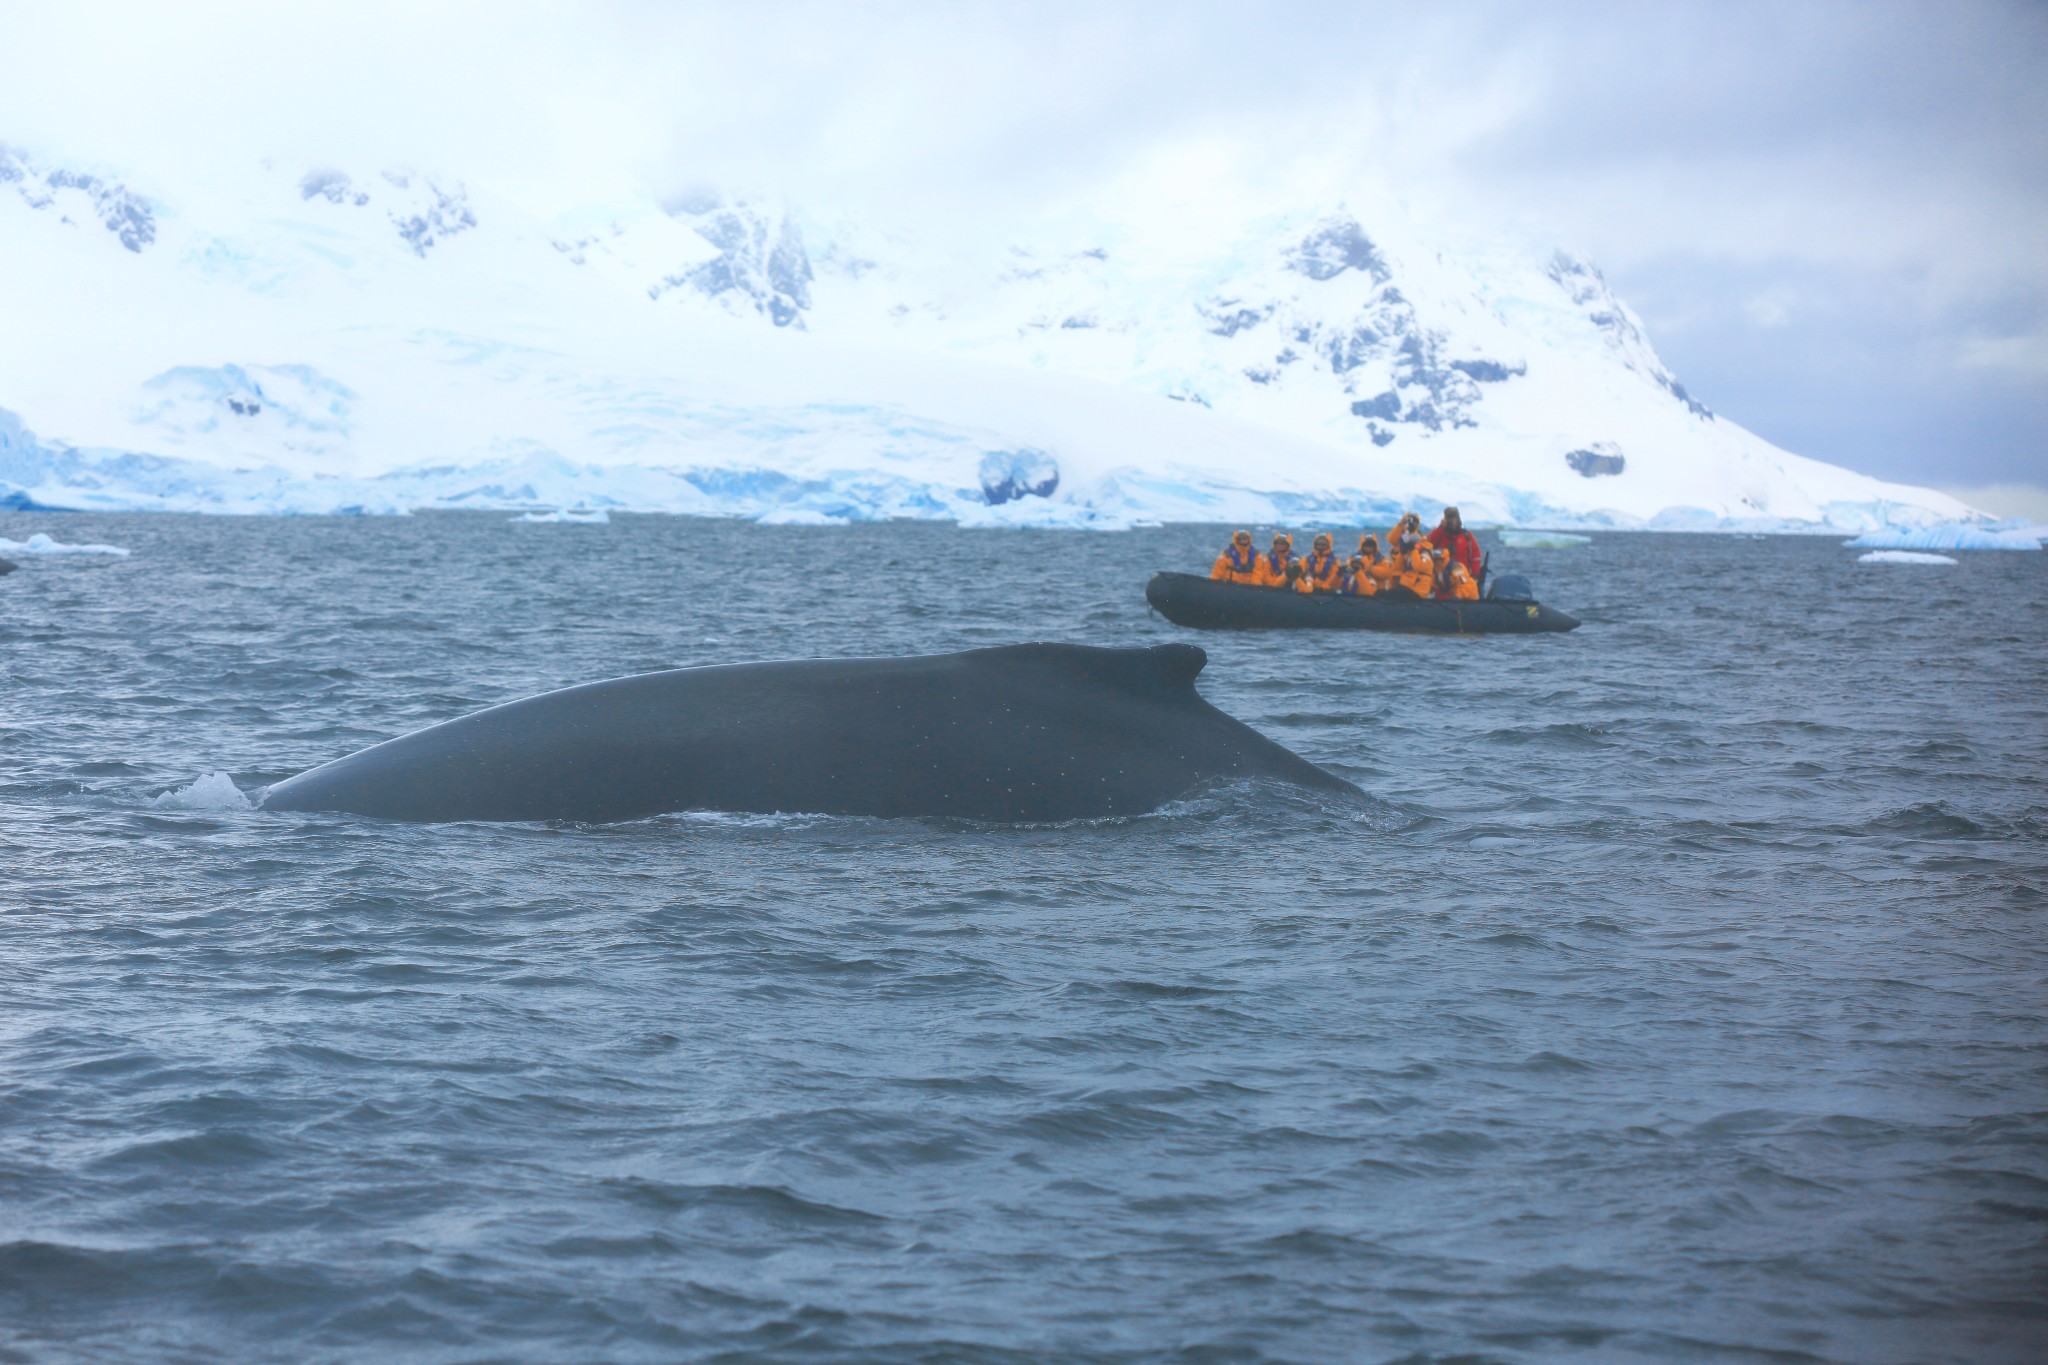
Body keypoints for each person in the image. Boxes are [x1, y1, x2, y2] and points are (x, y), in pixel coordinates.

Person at [1427, 506, 1483, 588]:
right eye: (1450, 519)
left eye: (1455, 519)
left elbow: (1476, 556)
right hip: (1441, 584)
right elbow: (1428, 544)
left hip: (1463, 581)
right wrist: (1440, 528)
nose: (1453, 522)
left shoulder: (1467, 536)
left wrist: (1475, 575)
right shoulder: (1440, 534)